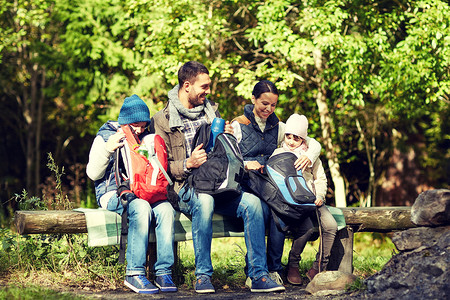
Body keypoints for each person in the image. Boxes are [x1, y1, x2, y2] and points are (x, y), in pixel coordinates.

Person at [151, 61, 285, 294]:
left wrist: (229, 138)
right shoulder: (162, 120)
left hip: (219, 183)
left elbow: (225, 152)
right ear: (186, 86)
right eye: (204, 86)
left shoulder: (213, 111)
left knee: (253, 204)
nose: (208, 91)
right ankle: (202, 276)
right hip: (186, 186)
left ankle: (259, 275)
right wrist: (187, 163)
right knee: (204, 201)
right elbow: (160, 167)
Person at [231, 80, 322, 286]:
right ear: (253, 99)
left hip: (271, 186)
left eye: (273, 105)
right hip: (248, 185)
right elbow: (226, 156)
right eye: (264, 103)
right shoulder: (238, 125)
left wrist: (310, 154)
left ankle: (273, 268)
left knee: (279, 215)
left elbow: (311, 141)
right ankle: (254, 270)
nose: (268, 109)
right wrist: (246, 164)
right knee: (262, 211)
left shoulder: (278, 126)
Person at [86, 94, 177, 294]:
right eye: (136, 125)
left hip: (142, 191)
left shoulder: (144, 139)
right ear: (125, 122)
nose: (140, 130)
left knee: (166, 209)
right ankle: (134, 273)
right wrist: (108, 150)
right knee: (141, 207)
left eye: (144, 125)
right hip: (111, 193)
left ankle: (163, 271)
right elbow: (93, 174)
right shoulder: (105, 136)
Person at [271, 113, 338, 284]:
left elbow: (320, 179)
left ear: (303, 138)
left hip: (313, 199)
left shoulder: (310, 156)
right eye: (289, 136)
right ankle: (293, 264)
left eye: (297, 138)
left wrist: (320, 196)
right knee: (307, 228)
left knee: (331, 225)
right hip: (293, 202)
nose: (291, 141)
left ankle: (319, 267)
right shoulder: (279, 152)